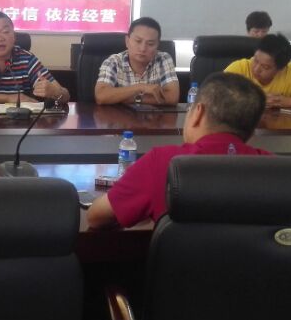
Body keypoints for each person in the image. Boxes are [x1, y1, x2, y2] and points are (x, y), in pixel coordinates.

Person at [88, 73, 272, 229]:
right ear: (252, 131)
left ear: (198, 113)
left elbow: (96, 217)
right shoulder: (275, 169)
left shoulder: (163, 162)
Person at [0, 11, 69, 104]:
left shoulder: (26, 59)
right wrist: (9, 98)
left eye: (5, 32)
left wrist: (55, 92)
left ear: (14, 36)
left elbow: (65, 96)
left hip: (19, 123)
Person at [224, 33, 291, 108]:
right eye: (255, 60)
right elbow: (216, 95)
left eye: (265, 67)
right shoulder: (240, 67)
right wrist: (255, 100)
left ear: (281, 69)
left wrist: (285, 102)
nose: (256, 69)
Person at [94, 17, 179, 105]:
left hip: (155, 114)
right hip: (118, 114)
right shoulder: (113, 61)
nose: (143, 48)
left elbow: (172, 97)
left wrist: (132, 98)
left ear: (157, 45)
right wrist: (140, 87)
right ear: (127, 41)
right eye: (138, 41)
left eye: (150, 44)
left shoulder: (163, 59)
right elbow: (101, 96)